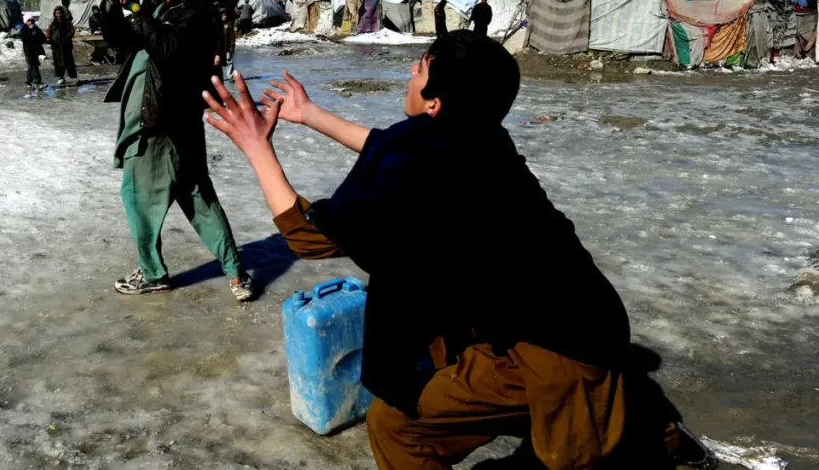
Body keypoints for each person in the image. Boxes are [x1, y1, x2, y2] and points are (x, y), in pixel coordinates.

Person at [202, 30, 718, 470]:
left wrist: (256, 146)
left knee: (401, 426)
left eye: (421, 67)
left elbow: (311, 236)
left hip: (563, 346)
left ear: (435, 102)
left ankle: (650, 432)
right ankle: (637, 416)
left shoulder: (430, 151)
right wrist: (312, 115)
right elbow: (396, 149)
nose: (410, 68)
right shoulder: (480, 137)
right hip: (552, 319)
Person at [95, 0, 253, 302]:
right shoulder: (155, 6)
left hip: (162, 125)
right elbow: (119, 40)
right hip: (174, 121)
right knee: (198, 197)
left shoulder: (197, 15)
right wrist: (114, 3)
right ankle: (235, 274)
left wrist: (137, 9)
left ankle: (152, 273)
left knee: (138, 198)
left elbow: (168, 52)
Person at [46, 5, 77, 85]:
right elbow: (49, 32)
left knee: (68, 61)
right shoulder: (53, 24)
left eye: (59, 13)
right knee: (58, 62)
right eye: (57, 13)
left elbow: (72, 31)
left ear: (62, 13)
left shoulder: (67, 22)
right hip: (56, 47)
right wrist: (49, 38)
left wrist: (66, 38)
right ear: (54, 14)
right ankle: (61, 77)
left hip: (65, 45)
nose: (58, 15)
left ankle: (73, 77)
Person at [20, 13, 47, 92]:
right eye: (28, 21)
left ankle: (28, 82)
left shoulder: (36, 28)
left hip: (36, 51)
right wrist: (31, 32)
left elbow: (43, 37)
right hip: (29, 52)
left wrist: (39, 39)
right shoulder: (24, 29)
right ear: (25, 21)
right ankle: (38, 83)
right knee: (33, 66)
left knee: (32, 67)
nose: (30, 22)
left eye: (31, 20)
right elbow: (23, 36)